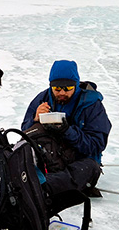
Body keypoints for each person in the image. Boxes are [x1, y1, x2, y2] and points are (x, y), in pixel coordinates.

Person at [21, 59, 111, 205]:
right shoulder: (42, 98)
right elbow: (25, 133)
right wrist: (35, 119)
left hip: (79, 161)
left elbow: (96, 145)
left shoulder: (92, 105)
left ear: (76, 84)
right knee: (23, 149)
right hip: (49, 158)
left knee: (90, 168)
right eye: (57, 89)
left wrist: (67, 130)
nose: (62, 92)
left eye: (68, 87)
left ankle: (40, 187)